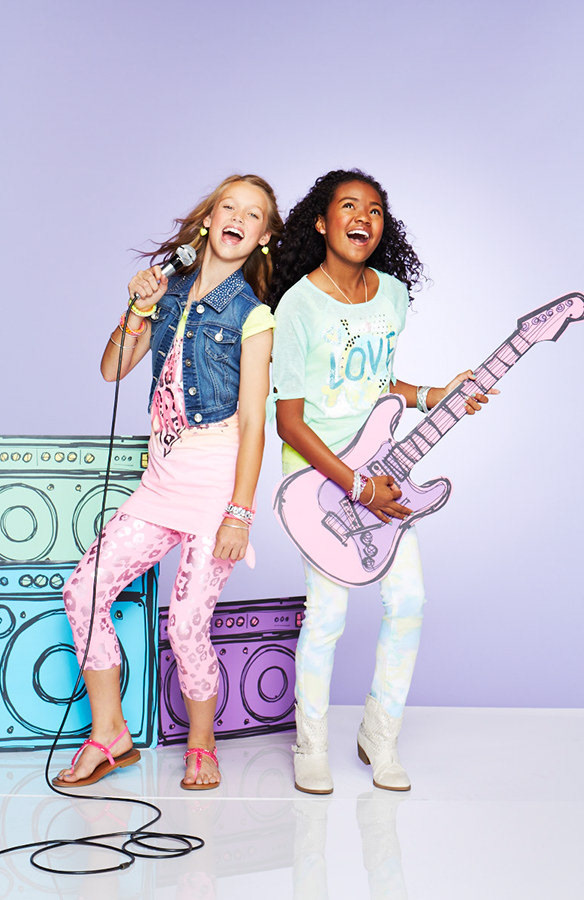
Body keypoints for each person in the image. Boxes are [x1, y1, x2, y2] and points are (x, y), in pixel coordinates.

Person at [270, 169, 496, 794]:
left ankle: (381, 734)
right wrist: (355, 486)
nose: (363, 217)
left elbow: (374, 383)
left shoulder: (392, 295)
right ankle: (311, 742)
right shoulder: (297, 307)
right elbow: (289, 421)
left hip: (381, 468)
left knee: (410, 602)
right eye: (348, 206)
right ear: (322, 223)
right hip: (319, 479)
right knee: (328, 613)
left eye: (374, 209)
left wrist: (433, 394)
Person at [54, 174, 283, 791]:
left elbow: (255, 423)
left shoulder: (253, 315)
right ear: (208, 220)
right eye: (229, 206)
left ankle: (202, 744)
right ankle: (110, 734)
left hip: (215, 490)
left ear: (264, 237)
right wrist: (138, 307)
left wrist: (240, 513)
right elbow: (112, 369)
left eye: (253, 215)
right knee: (84, 591)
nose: (238, 218)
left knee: (185, 623)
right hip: (160, 482)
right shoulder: (171, 293)